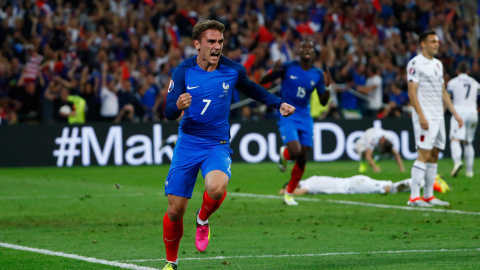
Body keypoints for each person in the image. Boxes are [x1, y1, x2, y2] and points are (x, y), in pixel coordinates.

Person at [161, 20, 295, 270]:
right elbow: (168, 111)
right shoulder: (183, 72)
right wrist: (177, 106)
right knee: (175, 210)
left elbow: (253, 89)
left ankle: (202, 220)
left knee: (217, 186)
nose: (217, 46)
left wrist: (279, 103)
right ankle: (171, 262)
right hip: (188, 143)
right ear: (197, 44)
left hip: (217, 143)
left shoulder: (233, 70)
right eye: (211, 41)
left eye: (220, 42)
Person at [259, 40, 331, 206]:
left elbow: (323, 101)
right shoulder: (287, 67)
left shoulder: (318, 74)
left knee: (303, 157)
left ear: (313, 53)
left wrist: (327, 88)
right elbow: (263, 81)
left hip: (305, 116)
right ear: (299, 52)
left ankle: (289, 193)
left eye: (310, 48)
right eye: (303, 48)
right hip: (287, 113)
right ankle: (285, 155)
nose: (307, 50)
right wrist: (271, 72)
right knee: (295, 151)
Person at [406, 30, 463, 207]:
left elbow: (443, 91)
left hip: (438, 115)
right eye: (433, 42)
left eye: (437, 41)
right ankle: (414, 197)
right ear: (423, 44)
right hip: (426, 115)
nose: (437, 44)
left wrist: (454, 112)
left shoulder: (438, 64)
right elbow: (411, 91)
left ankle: (428, 196)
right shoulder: (415, 63)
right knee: (423, 153)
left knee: (435, 154)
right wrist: (421, 115)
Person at [447, 61, 479, 178]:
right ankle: (469, 172)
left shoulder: (453, 82)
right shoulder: (474, 82)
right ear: (469, 71)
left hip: (459, 112)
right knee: (468, 142)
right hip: (473, 113)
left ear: (457, 71)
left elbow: (448, 97)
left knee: (455, 139)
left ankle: (457, 162)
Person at [278, 174, 450, 195]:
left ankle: (429, 180)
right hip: (355, 182)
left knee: (391, 189)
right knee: (391, 187)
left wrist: (287, 193)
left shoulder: (309, 182)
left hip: (354, 185)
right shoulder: (311, 179)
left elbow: (301, 192)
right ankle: (426, 181)